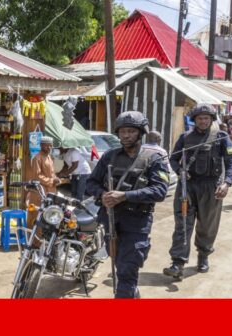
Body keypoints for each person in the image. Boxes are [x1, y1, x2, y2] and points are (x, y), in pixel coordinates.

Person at [86, 111, 169, 298]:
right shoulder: (110, 156)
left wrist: (125, 195)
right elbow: (91, 183)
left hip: (137, 223)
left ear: (141, 133)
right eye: (122, 131)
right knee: (119, 264)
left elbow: (160, 191)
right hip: (110, 221)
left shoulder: (153, 159)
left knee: (126, 270)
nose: (125, 135)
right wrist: (103, 194)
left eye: (130, 131)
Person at [163, 104, 232, 278]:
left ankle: (203, 256)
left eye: (206, 118)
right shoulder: (185, 137)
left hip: (211, 188)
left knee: (207, 225)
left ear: (211, 119)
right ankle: (178, 262)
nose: (203, 121)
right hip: (187, 187)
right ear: (194, 120)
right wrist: (180, 171)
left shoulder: (221, 136)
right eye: (199, 118)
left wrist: (226, 183)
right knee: (183, 224)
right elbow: (173, 159)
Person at [28, 136, 61, 205]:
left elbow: (51, 173)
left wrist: (56, 179)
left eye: (50, 145)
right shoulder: (37, 158)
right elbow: (37, 176)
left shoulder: (49, 157)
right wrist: (52, 181)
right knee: (39, 211)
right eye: (46, 145)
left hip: (51, 190)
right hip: (41, 190)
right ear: (41, 145)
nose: (49, 147)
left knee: (50, 211)